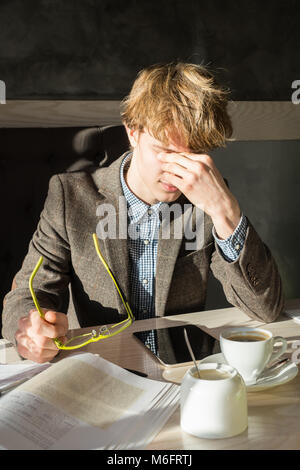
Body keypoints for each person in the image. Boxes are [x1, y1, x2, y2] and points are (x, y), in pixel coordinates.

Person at [2, 62, 284, 363]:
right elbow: (25, 296)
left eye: (193, 154)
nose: (178, 171)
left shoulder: (207, 200)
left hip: (182, 373)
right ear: (132, 132)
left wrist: (226, 212)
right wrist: (30, 330)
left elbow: (264, 308)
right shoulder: (70, 197)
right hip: (98, 369)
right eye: (164, 151)